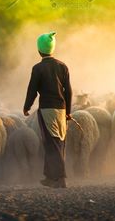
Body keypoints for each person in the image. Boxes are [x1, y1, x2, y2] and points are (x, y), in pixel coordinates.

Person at [23, 32, 72, 188]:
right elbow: (68, 91)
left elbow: (32, 90)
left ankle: (61, 178)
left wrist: (26, 106)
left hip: (47, 109)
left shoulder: (38, 68)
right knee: (59, 141)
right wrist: (68, 111)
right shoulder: (62, 66)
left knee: (52, 143)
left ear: (39, 50)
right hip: (62, 109)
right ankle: (51, 177)